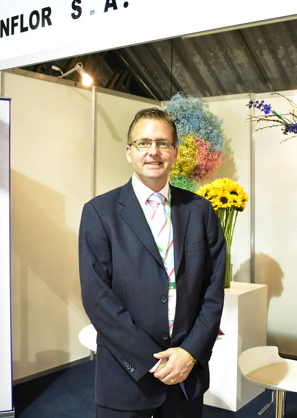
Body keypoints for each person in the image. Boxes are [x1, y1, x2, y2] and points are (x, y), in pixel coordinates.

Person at [78, 107, 226, 417]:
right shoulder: (99, 212)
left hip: (185, 374)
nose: (153, 151)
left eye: (162, 143)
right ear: (129, 152)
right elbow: (97, 297)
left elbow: (213, 291)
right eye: (143, 143)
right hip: (125, 377)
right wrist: (150, 360)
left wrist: (190, 353)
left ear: (175, 152)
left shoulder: (201, 211)